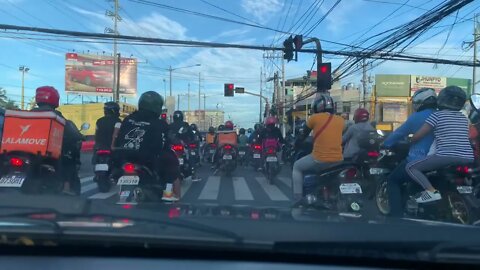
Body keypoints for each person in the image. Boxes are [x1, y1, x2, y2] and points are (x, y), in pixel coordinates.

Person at [406, 86, 474, 203]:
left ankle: (431, 191)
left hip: (445, 156)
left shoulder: (436, 116)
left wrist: (410, 139)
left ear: (442, 99)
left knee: (411, 167)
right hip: (468, 157)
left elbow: (419, 135)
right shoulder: (463, 118)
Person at [114, 91, 181, 202]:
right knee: (172, 163)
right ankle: (173, 198)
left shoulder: (128, 119)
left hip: (124, 156)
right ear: (157, 107)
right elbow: (170, 139)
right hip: (148, 158)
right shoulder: (160, 123)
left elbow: (118, 137)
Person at [382, 88, 437, 216]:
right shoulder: (440, 115)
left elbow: (398, 134)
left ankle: (396, 215)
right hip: (440, 159)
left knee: (393, 180)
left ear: (421, 102)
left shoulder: (416, 117)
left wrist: (385, 144)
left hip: (418, 159)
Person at [33, 86, 84, 195]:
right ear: (55, 99)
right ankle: (66, 187)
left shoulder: (29, 114)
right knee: (69, 160)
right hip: (50, 155)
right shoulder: (57, 117)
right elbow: (74, 135)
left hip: (30, 153)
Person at [292, 94, 344, 200]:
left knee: (297, 167)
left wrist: (295, 144)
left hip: (319, 159)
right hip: (339, 160)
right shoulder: (341, 120)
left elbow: (303, 135)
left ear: (317, 106)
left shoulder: (314, 118)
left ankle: (298, 197)